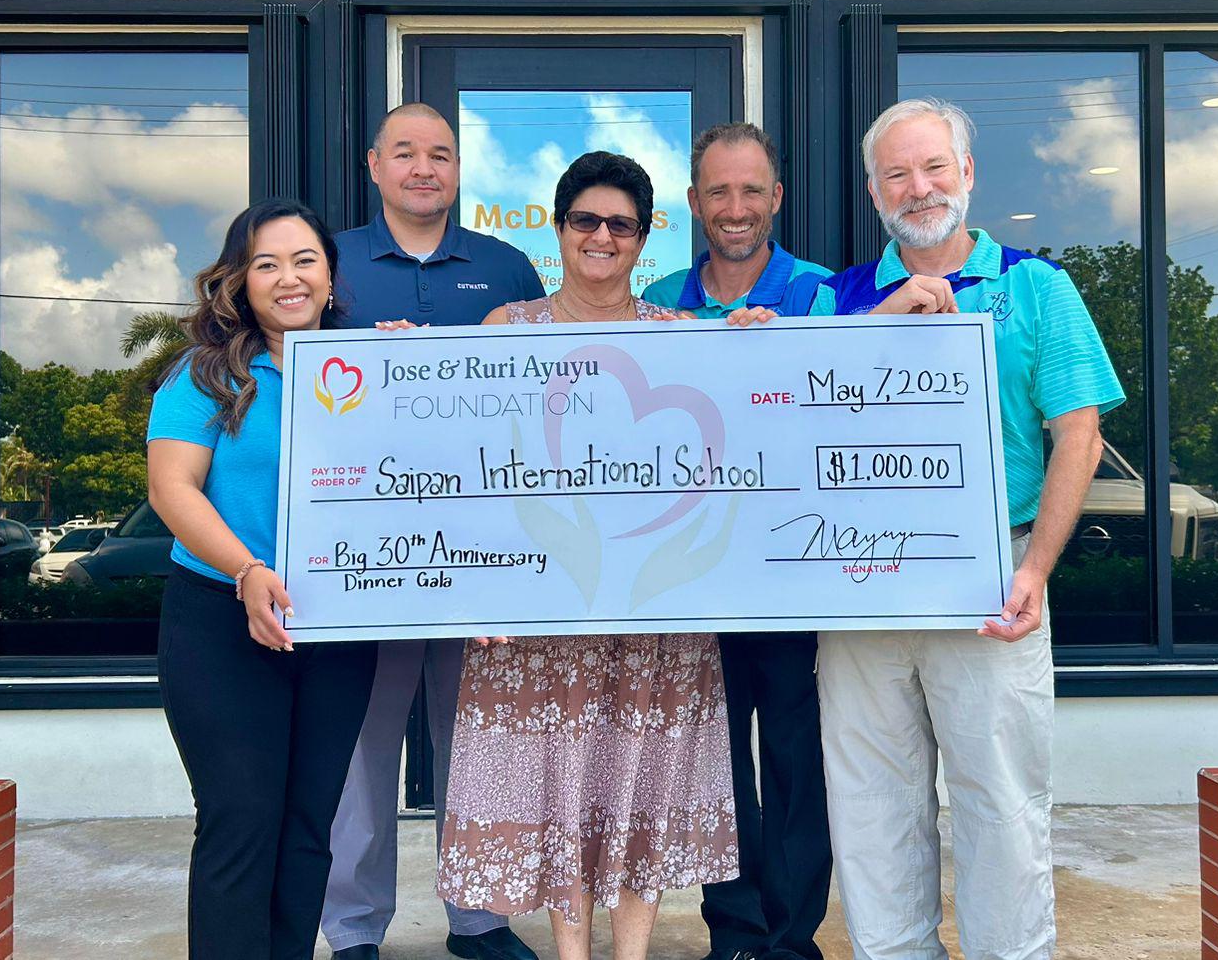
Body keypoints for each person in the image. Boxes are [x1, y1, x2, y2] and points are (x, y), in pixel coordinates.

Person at [793, 98, 1123, 960]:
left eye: (935, 166)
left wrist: (1036, 570)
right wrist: (887, 319)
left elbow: (1079, 437)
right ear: (873, 191)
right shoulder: (835, 297)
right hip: (861, 582)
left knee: (1000, 803)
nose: (919, 187)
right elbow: (799, 420)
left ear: (968, 173)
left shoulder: (1035, 287)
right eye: (897, 173)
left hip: (994, 572)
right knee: (871, 805)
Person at [436, 150, 773, 960]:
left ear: (643, 237)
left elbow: (732, 461)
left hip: (656, 615)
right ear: (558, 230)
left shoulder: (684, 337)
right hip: (542, 619)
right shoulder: (505, 330)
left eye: (621, 224)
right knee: (564, 791)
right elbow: (465, 464)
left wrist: (757, 352)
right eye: (586, 219)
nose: (602, 236)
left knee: (637, 785)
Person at [324, 102, 545, 960]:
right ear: (374, 165)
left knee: (479, 740)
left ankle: (479, 919)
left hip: (486, 547)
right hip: (365, 548)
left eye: (441, 155)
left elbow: (545, 395)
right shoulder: (331, 260)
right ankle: (351, 931)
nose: (425, 168)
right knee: (362, 752)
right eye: (406, 153)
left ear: (459, 172)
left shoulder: (505, 267)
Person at [147, 198, 378, 960]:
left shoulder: (369, 371)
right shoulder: (207, 375)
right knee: (241, 820)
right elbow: (171, 489)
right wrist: (246, 568)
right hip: (220, 620)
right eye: (267, 264)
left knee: (312, 826)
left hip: (336, 628)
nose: (288, 278)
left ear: (331, 278)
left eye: (305, 260)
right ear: (239, 282)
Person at [643, 122, 833, 960]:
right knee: (717, 765)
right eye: (718, 191)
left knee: (796, 760)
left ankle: (794, 938)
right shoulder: (659, 299)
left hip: (795, 570)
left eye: (751, 189)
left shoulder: (822, 295)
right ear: (693, 203)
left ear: (777, 198)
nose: (735, 207)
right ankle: (736, 930)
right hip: (693, 572)